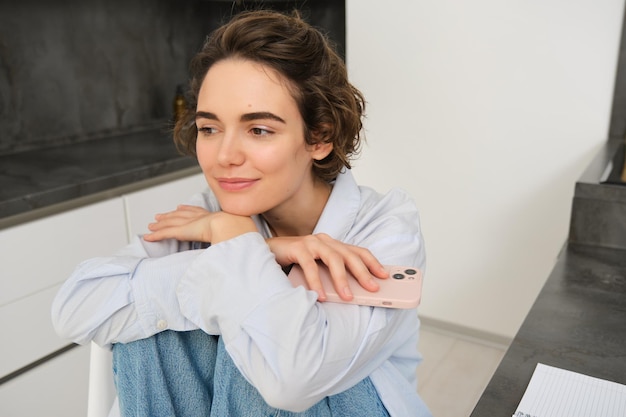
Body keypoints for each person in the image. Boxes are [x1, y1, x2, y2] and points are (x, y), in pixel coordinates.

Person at [52, 9, 431, 417]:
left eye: (259, 130)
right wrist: (259, 248)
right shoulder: (207, 215)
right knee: (147, 331)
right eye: (209, 129)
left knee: (253, 336)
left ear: (319, 137)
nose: (224, 156)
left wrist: (236, 243)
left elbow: (291, 381)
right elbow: (75, 308)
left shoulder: (386, 225)